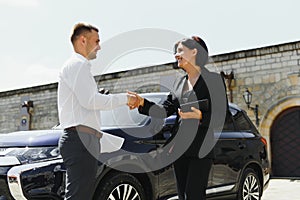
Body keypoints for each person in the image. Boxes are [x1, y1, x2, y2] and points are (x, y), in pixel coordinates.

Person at [129, 36, 228, 200]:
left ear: (194, 51)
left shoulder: (214, 80)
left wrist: (201, 115)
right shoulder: (178, 83)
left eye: (180, 50)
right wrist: (142, 103)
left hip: (201, 148)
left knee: (194, 195)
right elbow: (163, 111)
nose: (176, 55)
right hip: (180, 149)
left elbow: (221, 116)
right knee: (182, 196)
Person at [57, 22, 137, 200]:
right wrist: (126, 99)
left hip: (84, 139)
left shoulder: (77, 66)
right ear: (83, 40)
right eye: (97, 41)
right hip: (80, 140)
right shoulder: (77, 65)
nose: (99, 47)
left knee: (82, 195)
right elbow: (91, 101)